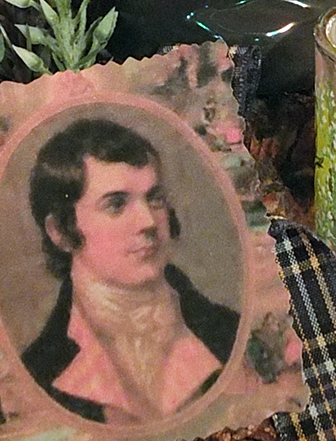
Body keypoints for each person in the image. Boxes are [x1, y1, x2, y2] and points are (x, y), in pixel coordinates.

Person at [22, 118, 239, 424]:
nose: (148, 222)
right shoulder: (36, 374)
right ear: (60, 231)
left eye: (154, 199)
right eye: (116, 205)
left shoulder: (229, 333)